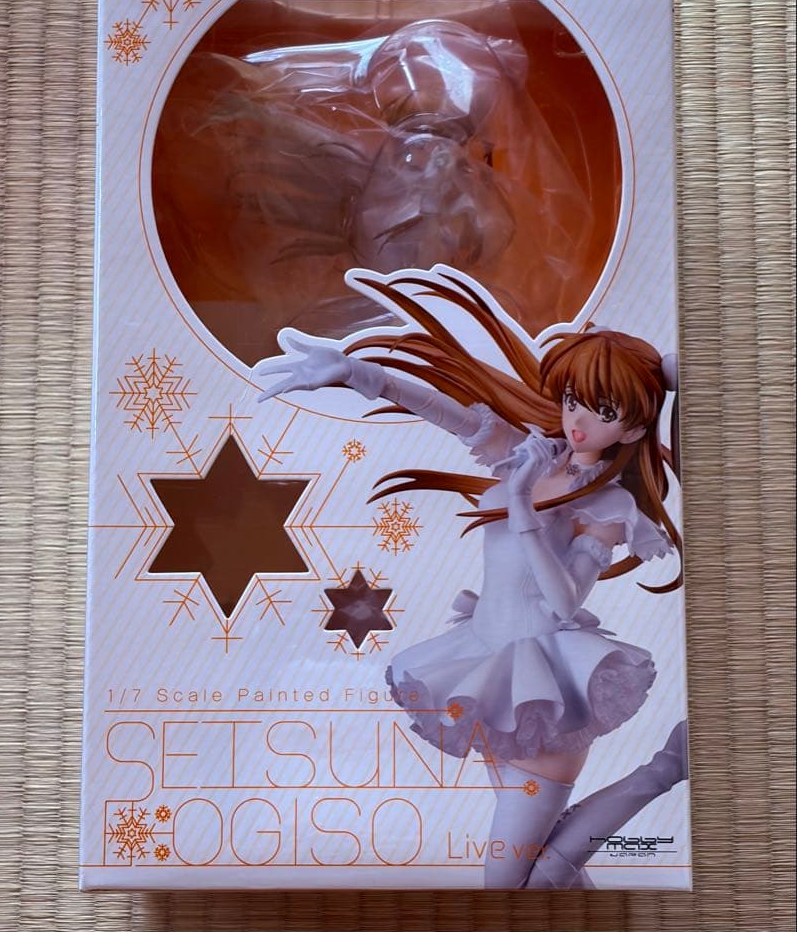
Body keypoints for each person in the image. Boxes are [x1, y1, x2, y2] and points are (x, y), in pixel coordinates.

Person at [257, 270, 688, 888]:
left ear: (635, 429)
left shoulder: (608, 506)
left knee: (507, 886)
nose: (578, 421)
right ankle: (666, 768)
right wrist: (357, 373)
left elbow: (564, 603)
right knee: (540, 876)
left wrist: (522, 504)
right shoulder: (529, 452)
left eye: (604, 411)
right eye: (573, 399)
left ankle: (663, 770)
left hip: (542, 689)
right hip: (488, 671)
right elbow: (449, 415)